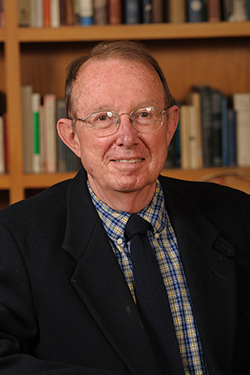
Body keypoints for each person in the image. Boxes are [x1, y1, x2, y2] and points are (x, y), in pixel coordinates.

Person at [0, 40, 249, 375]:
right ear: (71, 136)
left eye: (144, 115)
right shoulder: (15, 238)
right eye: (103, 118)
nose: (127, 136)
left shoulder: (239, 215)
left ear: (170, 124)